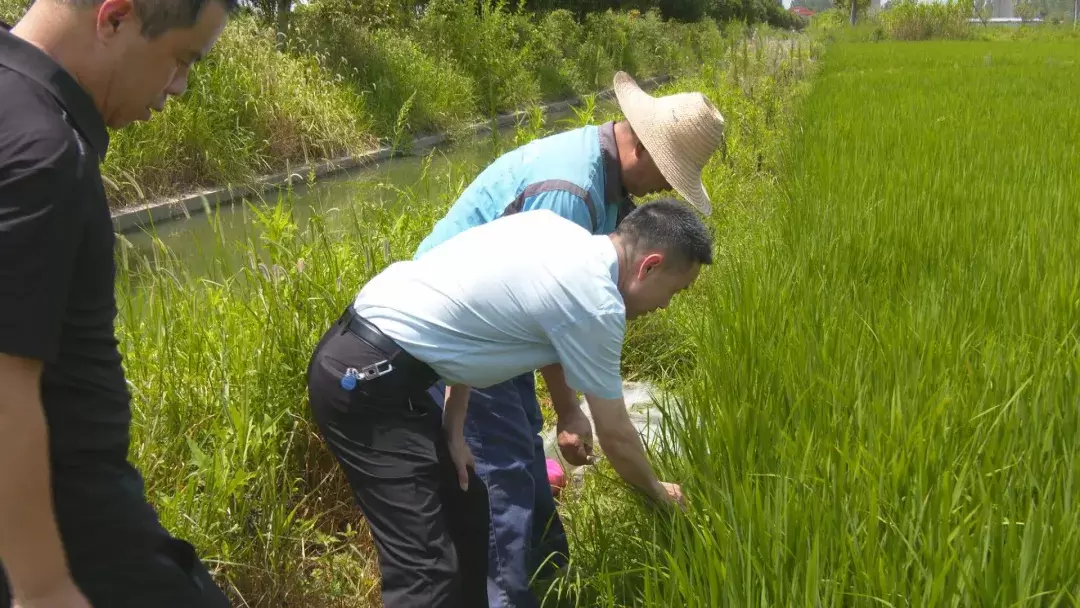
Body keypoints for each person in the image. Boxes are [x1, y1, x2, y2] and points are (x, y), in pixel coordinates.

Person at [412, 70, 727, 607]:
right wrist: (571, 410)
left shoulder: (604, 182)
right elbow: (552, 306)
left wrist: (565, 410)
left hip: (494, 331)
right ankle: (506, 595)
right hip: (458, 331)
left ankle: (551, 581)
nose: (664, 193)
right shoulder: (570, 192)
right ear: (644, 152)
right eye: (669, 179)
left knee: (519, 453)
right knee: (503, 478)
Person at [307, 199, 712, 607]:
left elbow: (470, 322)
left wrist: (454, 428)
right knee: (425, 570)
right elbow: (617, 435)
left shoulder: (554, 230)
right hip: (368, 380)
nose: (665, 306)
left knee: (467, 510)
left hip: (379, 361)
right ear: (650, 266)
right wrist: (659, 493)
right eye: (675, 291)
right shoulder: (597, 302)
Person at [0, 1, 236, 607]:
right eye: (181, 59)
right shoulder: (42, 151)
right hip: (73, 531)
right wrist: (43, 584)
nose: (179, 88)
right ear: (115, 18)